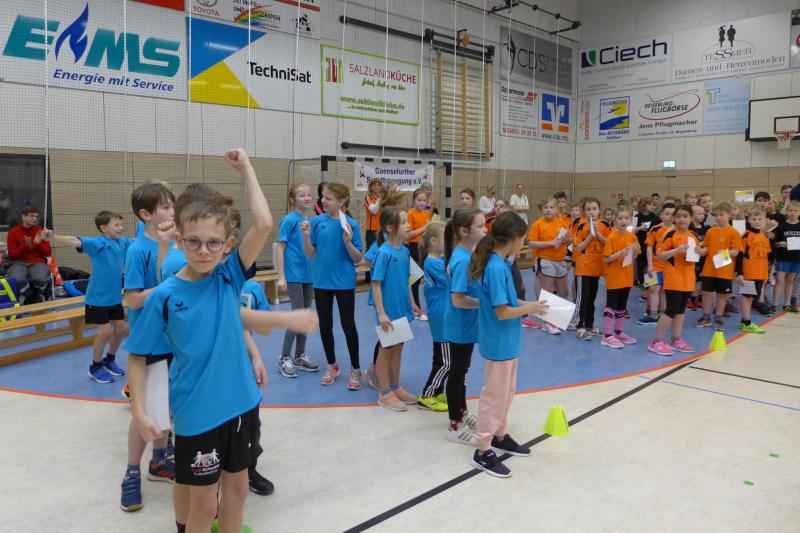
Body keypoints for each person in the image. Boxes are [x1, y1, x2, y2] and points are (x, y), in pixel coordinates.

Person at [127, 149, 317, 532]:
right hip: (198, 412)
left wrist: (247, 168)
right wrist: (139, 411)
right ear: (179, 240)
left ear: (227, 245)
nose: (204, 250)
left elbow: (263, 223)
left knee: (238, 491)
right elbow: (137, 355)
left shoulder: (228, 275)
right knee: (204, 506)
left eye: (213, 243)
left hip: (242, 403)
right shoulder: (165, 295)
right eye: (194, 242)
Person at [468, 212, 548, 478]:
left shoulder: (501, 263)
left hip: (509, 341)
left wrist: (533, 305)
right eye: (522, 239)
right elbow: (502, 312)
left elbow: (510, 303)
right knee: (494, 395)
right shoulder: (494, 267)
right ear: (513, 239)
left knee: (506, 393)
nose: (522, 244)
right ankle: (482, 449)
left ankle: (499, 435)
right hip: (499, 342)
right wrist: (530, 308)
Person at [120, 181, 176, 512]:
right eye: (166, 207)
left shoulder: (176, 243)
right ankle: (131, 473)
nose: (172, 211)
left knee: (164, 407)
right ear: (146, 214)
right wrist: (168, 287)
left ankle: (160, 460)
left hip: (175, 339)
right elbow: (133, 299)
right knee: (145, 412)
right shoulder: (138, 249)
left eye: (172, 205)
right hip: (149, 342)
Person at [41, 211, 132, 383]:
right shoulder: (97, 243)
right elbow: (75, 240)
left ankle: (109, 360)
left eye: (121, 224)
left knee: (122, 329)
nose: (121, 228)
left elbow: (141, 243)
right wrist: (53, 237)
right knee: (105, 332)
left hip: (114, 298)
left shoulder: (123, 242)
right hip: (97, 299)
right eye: (116, 225)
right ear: (103, 228)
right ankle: (95, 367)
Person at [302, 182, 364, 389]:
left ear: (341, 201)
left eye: (328, 198)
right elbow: (310, 253)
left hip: (344, 282)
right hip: (321, 281)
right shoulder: (316, 222)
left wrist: (347, 242)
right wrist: (306, 237)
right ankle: (332, 365)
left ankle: (355, 368)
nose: (323, 201)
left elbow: (358, 258)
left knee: (348, 324)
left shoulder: (350, 225)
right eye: (323, 197)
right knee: (325, 325)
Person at [444, 207, 486, 446]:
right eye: (480, 226)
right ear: (464, 231)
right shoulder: (462, 260)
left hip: (467, 326)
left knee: (462, 372)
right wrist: (484, 303)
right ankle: (454, 424)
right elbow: (457, 299)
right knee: (457, 374)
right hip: (460, 326)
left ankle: (461, 411)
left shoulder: (466, 254)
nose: (485, 229)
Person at [372, 206, 420, 411]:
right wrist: (382, 313)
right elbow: (376, 284)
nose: (408, 225)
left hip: (402, 308)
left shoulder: (405, 251)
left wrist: (412, 302)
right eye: (404, 222)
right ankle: (384, 392)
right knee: (386, 349)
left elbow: (406, 280)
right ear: (390, 227)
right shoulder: (384, 253)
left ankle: (395, 386)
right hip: (388, 311)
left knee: (398, 347)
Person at [648, 204, 705, 356]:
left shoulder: (693, 235)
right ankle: (656, 341)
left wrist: (700, 251)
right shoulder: (670, 234)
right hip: (673, 278)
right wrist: (677, 250)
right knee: (670, 311)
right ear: (674, 218)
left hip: (688, 279)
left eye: (685, 216)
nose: (681, 219)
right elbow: (659, 255)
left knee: (680, 311)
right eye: (678, 216)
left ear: (691, 218)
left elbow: (697, 255)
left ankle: (675, 339)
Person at [275, 184, 319, 378]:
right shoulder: (289, 220)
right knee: (297, 316)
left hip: (309, 276)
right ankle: (285, 357)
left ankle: (299, 355)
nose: (307, 198)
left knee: (305, 316)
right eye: (302, 195)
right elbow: (280, 248)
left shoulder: (309, 221)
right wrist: (281, 276)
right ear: (293, 199)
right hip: (294, 275)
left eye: (309, 195)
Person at [417, 222, 450, 412]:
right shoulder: (433, 263)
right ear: (434, 241)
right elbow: (452, 279)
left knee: (441, 357)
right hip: (441, 316)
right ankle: (427, 395)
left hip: (443, 314)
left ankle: (437, 391)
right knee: (447, 362)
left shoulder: (438, 261)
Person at [527, 197, 570, 334]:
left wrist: (566, 240)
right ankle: (548, 323)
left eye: (552, 207)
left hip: (560, 260)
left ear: (557, 209)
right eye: (546, 207)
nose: (549, 210)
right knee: (548, 292)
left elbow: (568, 240)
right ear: (541, 210)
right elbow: (531, 243)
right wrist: (550, 243)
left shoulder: (562, 222)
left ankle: (560, 319)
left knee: (564, 291)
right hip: (546, 260)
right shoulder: (537, 224)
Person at [696, 202, 741, 329]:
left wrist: (726, 252)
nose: (718, 217)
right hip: (709, 269)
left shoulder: (734, 232)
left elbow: (736, 251)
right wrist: (701, 251)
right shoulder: (710, 231)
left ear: (729, 215)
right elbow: (706, 247)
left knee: (722, 295)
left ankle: (718, 318)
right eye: (716, 215)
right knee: (706, 294)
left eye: (721, 215)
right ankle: (706, 317)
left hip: (725, 270)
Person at [572, 198, 610, 341]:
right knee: (582, 299)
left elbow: (608, 244)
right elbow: (579, 248)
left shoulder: (605, 225)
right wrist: (590, 235)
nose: (591, 212)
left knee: (591, 299)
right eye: (588, 209)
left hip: (597, 268)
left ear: (599, 210)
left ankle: (589, 324)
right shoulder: (581, 226)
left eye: (594, 209)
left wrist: (598, 233)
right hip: (584, 268)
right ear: (584, 212)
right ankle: (579, 325)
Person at [602, 207, 640, 348]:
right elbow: (606, 259)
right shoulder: (611, 237)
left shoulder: (632, 237)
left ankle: (618, 332)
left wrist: (634, 251)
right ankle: (607, 335)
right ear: (615, 220)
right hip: (614, 277)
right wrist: (619, 254)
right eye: (620, 218)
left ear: (630, 220)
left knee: (622, 306)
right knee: (611, 305)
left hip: (626, 276)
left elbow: (633, 258)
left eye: (626, 218)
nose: (623, 221)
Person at [638, 202, 676, 325]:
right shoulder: (655, 229)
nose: (670, 216)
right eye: (667, 214)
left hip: (670, 267)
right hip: (654, 265)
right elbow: (649, 247)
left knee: (665, 290)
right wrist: (649, 265)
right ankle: (652, 314)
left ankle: (664, 314)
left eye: (672, 214)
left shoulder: (678, 230)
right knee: (653, 288)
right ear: (661, 215)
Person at [5, 205, 51, 304]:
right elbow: (12, 255)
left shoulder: (40, 232)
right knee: (16, 279)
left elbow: (48, 253)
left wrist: (39, 244)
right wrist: (25, 246)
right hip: (19, 262)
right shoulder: (13, 232)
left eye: (36, 216)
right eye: (31, 216)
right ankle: (33, 296)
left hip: (38, 262)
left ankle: (35, 296)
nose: (35, 219)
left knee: (40, 279)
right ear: (23, 217)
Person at [736, 207, 771, 333]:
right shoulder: (746, 236)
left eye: (760, 219)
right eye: (754, 219)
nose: (757, 221)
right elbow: (740, 255)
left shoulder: (764, 236)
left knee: (751, 298)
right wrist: (740, 273)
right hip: (749, 273)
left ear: (764, 221)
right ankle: (747, 322)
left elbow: (767, 254)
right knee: (747, 297)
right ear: (749, 220)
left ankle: (743, 321)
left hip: (761, 273)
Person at [407, 188, 431, 318]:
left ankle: (428, 306)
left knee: (425, 277)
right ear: (413, 200)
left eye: (424, 200)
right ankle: (416, 308)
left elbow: (427, 231)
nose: (422, 202)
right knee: (414, 279)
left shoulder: (426, 213)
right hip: (414, 247)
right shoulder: (410, 214)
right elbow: (408, 235)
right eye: (419, 200)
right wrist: (424, 228)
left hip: (425, 247)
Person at [772, 200, 800, 312]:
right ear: (787, 211)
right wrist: (780, 244)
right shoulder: (781, 226)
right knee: (779, 280)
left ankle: (787, 303)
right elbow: (775, 243)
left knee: (790, 281)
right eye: (790, 210)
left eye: (796, 211)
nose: (793, 213)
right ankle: (775, 303)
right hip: (783, 257)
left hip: (796, 258)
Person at [687, 205, 709, 310]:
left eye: (703, 214)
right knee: (692, 278)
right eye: (699, 214)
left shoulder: (705, 228)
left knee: (700, 278)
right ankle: (690, 298)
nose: (702, 216)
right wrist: (700, 243)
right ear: (692, 215)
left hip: (702, 256)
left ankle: (696, 298)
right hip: (691, 257)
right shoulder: (689, 228)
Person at [363, 178, 382, 283]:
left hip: (381, 230)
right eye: (374, 185)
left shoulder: (382, 199)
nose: (377, 187)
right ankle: (368, 277)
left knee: (380, 252)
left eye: (378, 185)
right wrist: (380, 199)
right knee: (370, 253)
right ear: (371, 187)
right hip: (371, 230)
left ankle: (378, 274)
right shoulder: (368, 198)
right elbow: (373, 210)